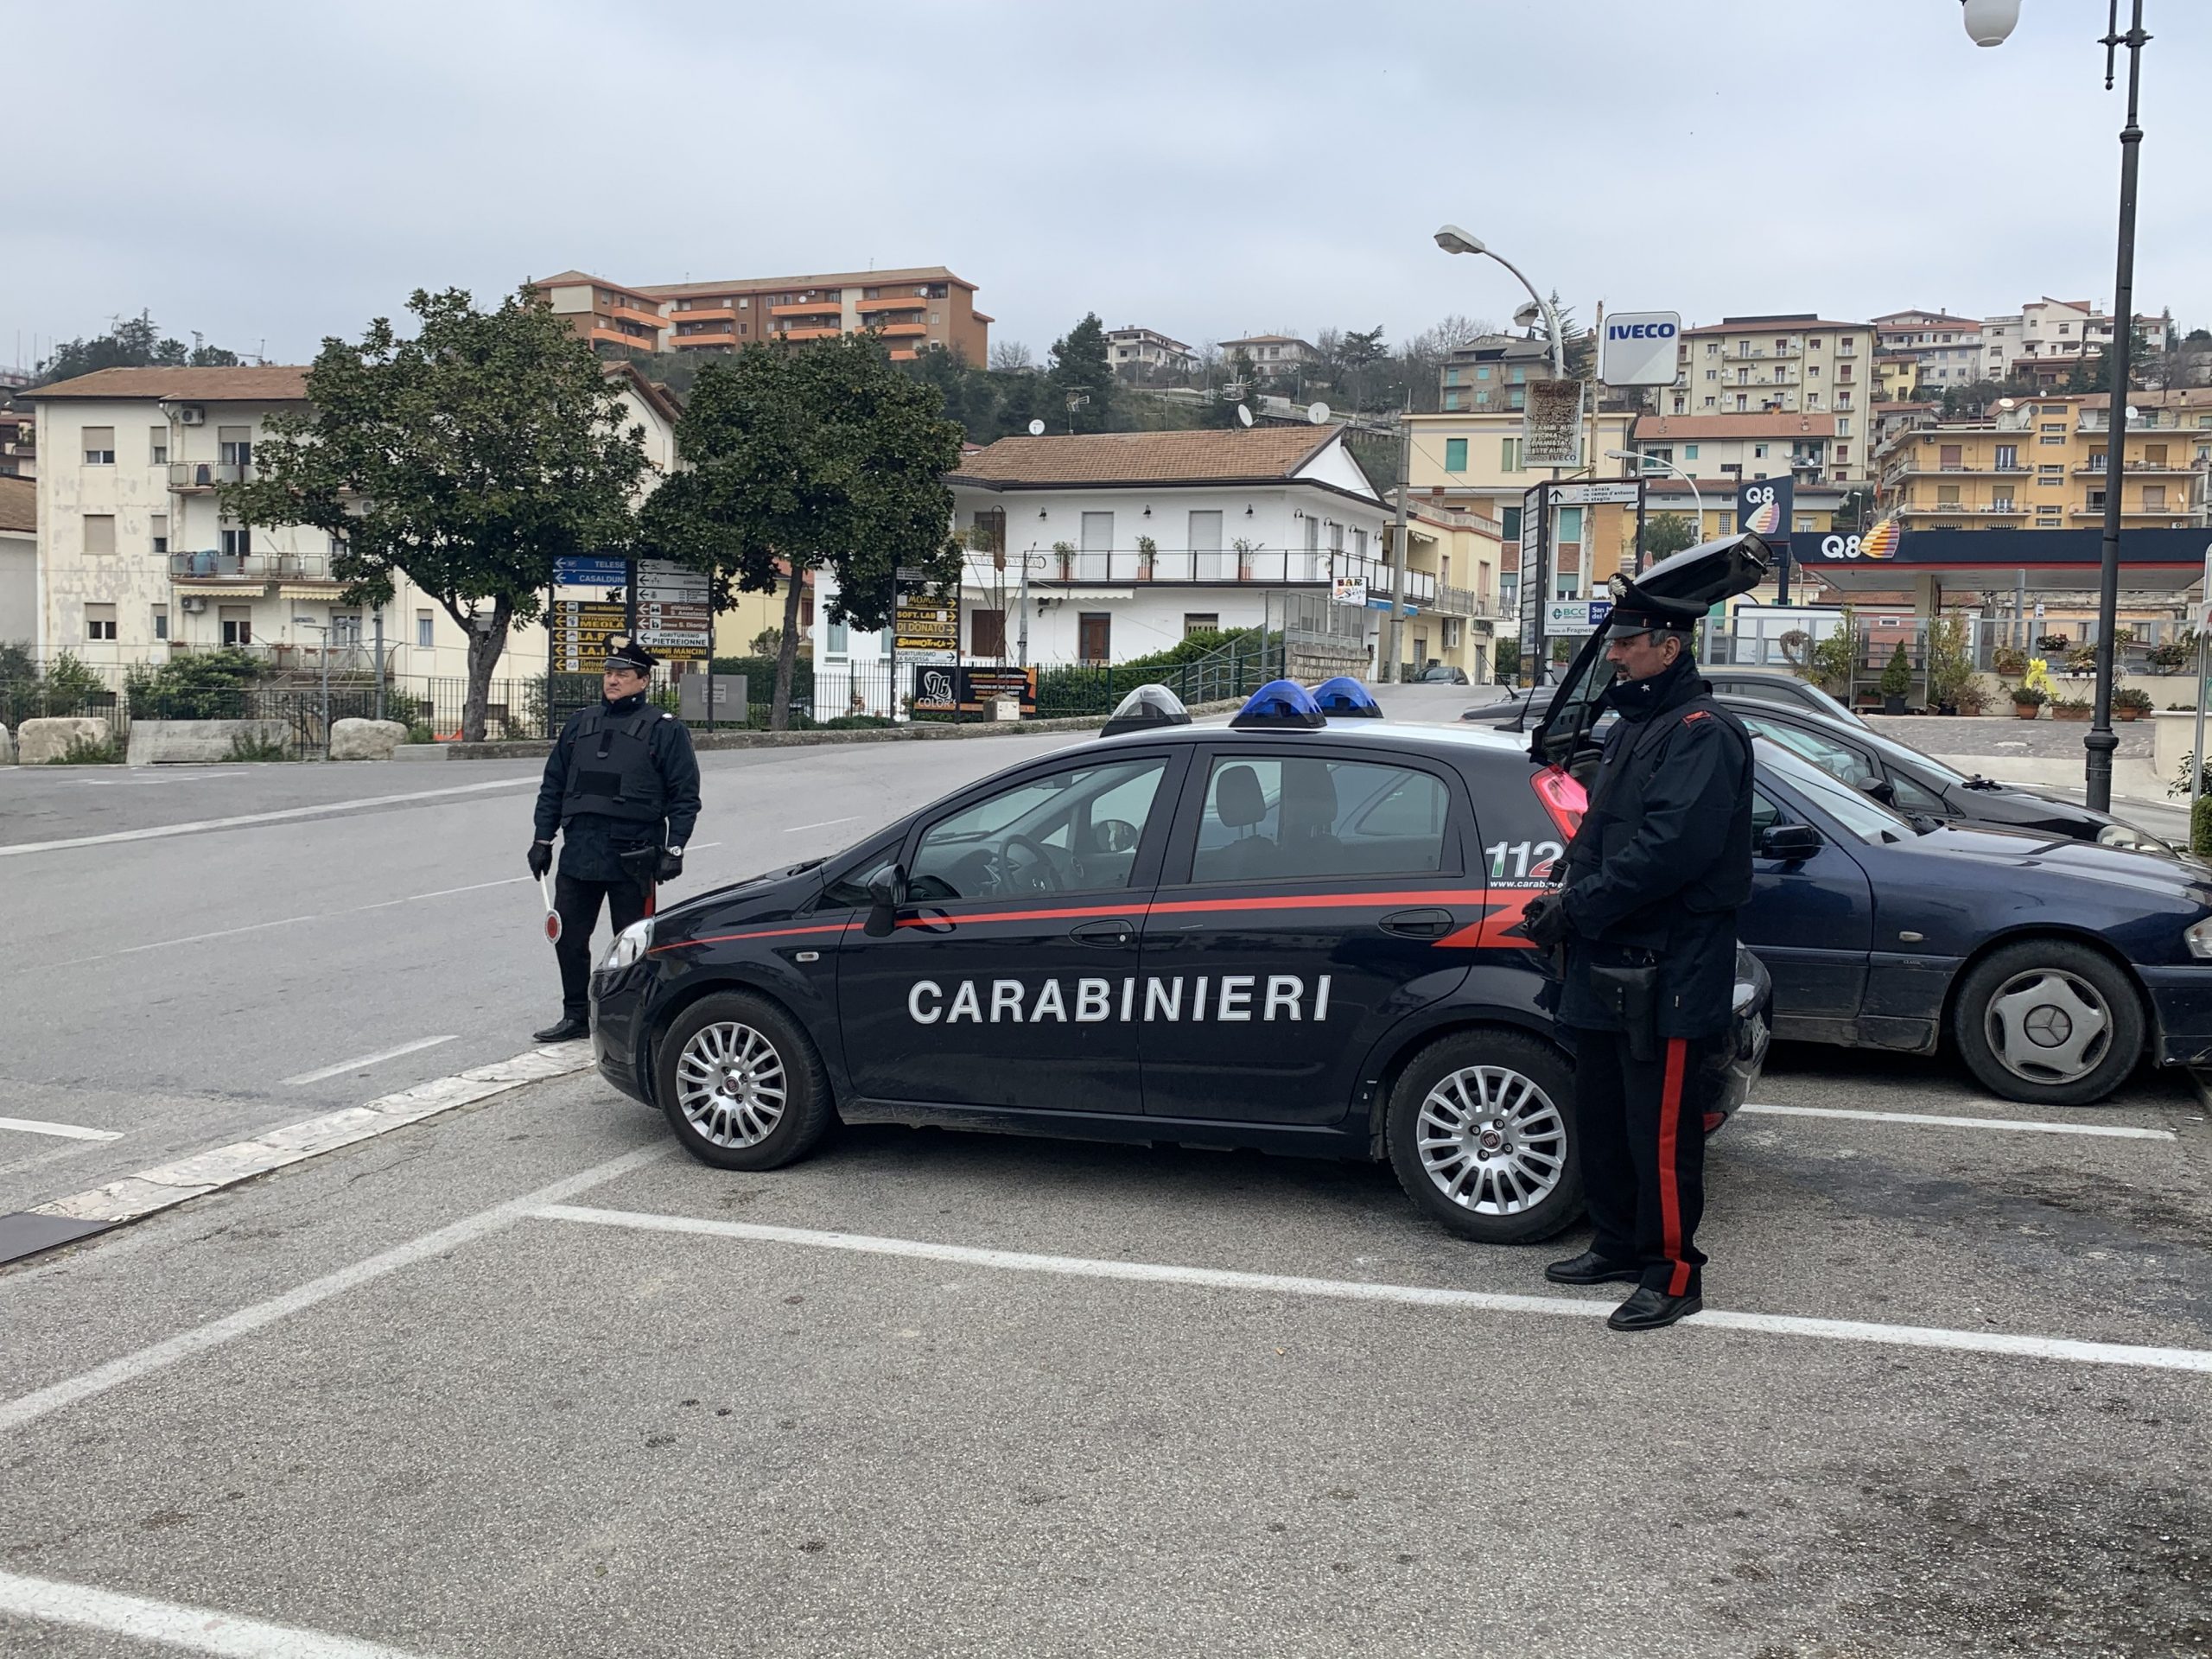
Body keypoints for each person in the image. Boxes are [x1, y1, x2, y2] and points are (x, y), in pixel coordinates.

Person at [1515, 582, 1754, 1332]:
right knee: (1607, 1115)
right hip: (1608, 960)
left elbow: (1669, 852)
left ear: (1668, 647)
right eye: (1613, 644)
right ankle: (1617, 1243)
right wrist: (1561, 888)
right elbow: (1600, 830)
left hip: (1670, 966)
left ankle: (1673, 1273)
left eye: (1626, 643)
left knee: (1660, 1131)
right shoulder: (1633, 729)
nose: (1613, 656)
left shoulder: (1702, 731)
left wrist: (1578, 908)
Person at [528, 635, 702, 1042]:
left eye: (622, 674)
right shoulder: (579, 724)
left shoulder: (665, 730)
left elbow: (685, 795)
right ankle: (576, 1015)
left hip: (634, 855)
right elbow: (553, 785)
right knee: (568, 936)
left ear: (643, 680)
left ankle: (631, 1020)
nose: (612, 680)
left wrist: (675, 848)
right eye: (608, 673)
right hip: (581, 851)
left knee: (634, 943)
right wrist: (542, 840)